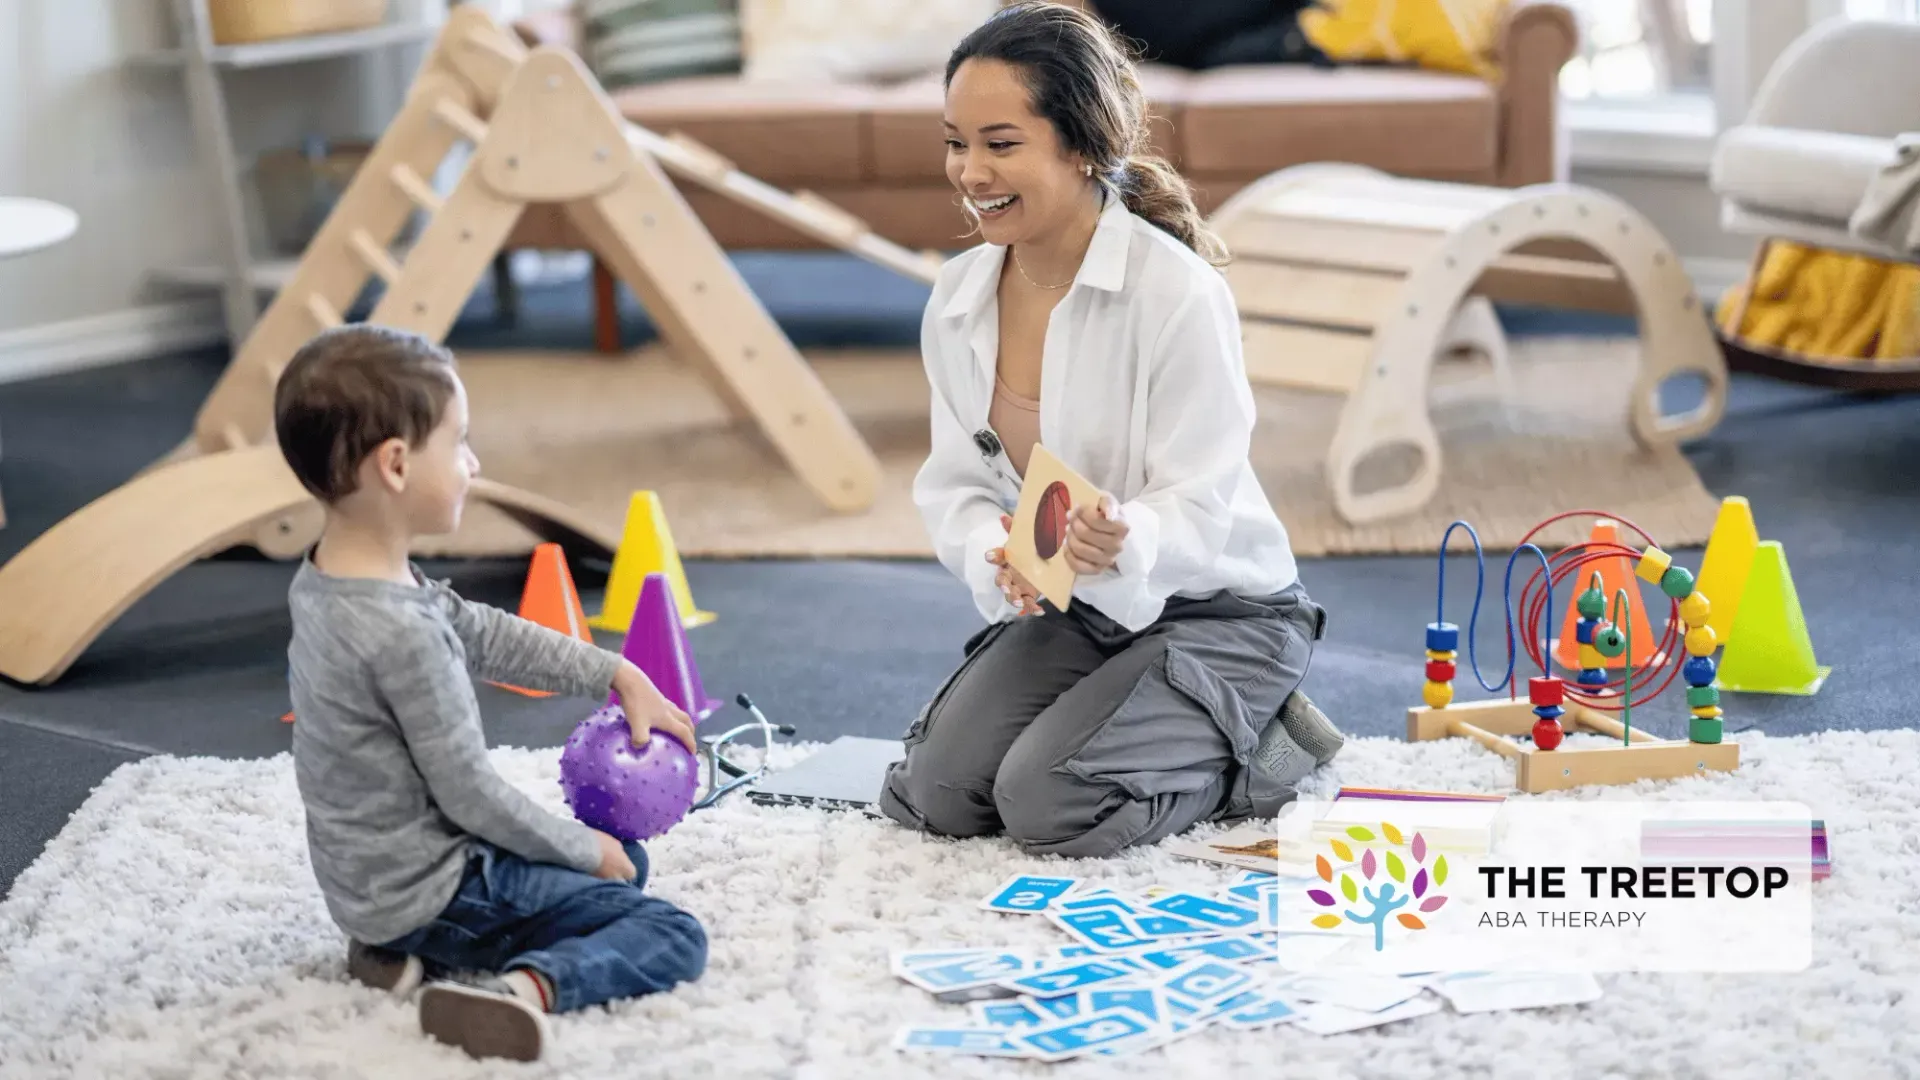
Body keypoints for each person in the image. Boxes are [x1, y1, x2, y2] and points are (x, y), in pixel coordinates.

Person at [877, 1, 1346, 859]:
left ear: (1083, 145)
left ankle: (1270, 755)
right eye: (956, 142)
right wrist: (998, 551)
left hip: (1221, 612)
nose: (970, 172)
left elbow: (1199, 506)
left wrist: (1127, 534)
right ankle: (1123, 711)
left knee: (1048, 805)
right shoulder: (957, 299)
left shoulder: (1177, 295)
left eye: (1001, 143)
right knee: (936, 792)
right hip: (1083, 604)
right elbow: (957, 483)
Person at [274, 325, 707, 1062]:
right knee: (661, 920)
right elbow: (469, 796)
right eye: (461, 441)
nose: (473, 463)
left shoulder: (327, 579)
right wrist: (581, 849)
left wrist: (615, 672)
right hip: (434, 888)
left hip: (366, 885)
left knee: (620, 861)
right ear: (398, 465)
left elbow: (481, 630)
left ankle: (392, 953)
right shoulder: (399, 636)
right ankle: (513, 991)